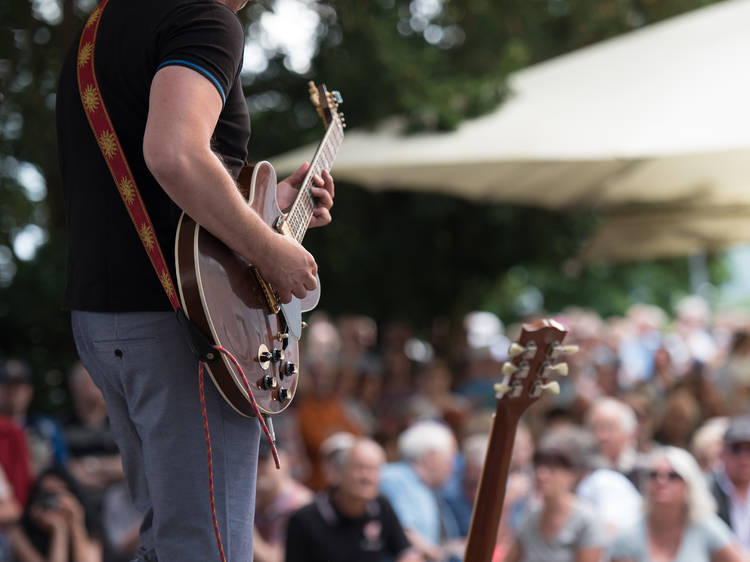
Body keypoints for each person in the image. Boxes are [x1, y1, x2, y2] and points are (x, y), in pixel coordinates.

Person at [56, 0, 335, 560]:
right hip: (181, 331)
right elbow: (175, 155)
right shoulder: (203, 18)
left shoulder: (100, 23)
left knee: (167, 542)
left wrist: (267, 209)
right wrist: (268, 248)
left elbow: (154, 189)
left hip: (110, 321)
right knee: (207, 549)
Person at [285, 438, 421, 562]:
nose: (366, 477)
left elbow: (406, 552)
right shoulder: (305, 519)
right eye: (359, 468)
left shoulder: (380, 506)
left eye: (374, 469)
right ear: (339, 473)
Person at [610, 446, 742, 562]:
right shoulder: (628, 536)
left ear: (689, 485)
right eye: (654, 474)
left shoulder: (706, 527)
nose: (661, 481)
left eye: (672, 476)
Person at [505, 430, 607, 562]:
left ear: (572, 474)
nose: (541, 475)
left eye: (553, 468)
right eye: (538, 466)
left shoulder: (587, 521)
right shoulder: (530, 514)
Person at [380, 420, 461, 561]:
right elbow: (402, 530)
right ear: (431, 456)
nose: (453, 467)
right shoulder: (394, 479)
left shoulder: (431, 489)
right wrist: (441, 556)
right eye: (450, 459)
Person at [0, 358, 69, 478]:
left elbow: (64, 466)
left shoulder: (45, 427)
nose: (13, 392)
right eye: (7, 386)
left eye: (18, 387)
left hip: (41, 492)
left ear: (29, 391)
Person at [708, 415, 750, 556]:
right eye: (736, 449)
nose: (743, 459)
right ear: (722, 453)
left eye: (749, 450)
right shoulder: (707, 490)